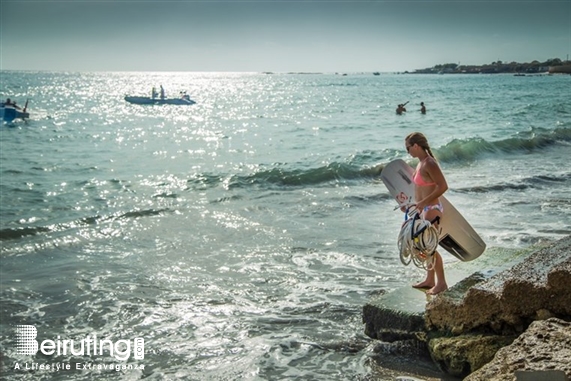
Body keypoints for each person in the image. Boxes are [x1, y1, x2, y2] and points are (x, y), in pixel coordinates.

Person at [404, 132, 449, 295]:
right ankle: (430, 280)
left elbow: (443, 186)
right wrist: (411, 205)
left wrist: (424, 203)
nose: (407, 151)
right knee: (424, 246)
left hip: (432, 210)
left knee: (429, 248)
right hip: (423, 209)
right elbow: (420, 190)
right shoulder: (420, 163)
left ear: (416, 146)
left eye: (408, 148)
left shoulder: (429, 163)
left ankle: (441, 283)